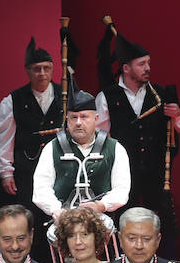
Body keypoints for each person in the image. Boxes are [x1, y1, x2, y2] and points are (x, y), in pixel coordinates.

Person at [98, 29, 180, 253]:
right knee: (122, 217)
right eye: (141, 64)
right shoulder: (107, 96)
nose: (148, 68)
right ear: (126, 68)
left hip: (156, 169)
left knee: (163, 217)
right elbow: (100, 138)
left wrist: (177, 114)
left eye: (148, 63)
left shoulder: (159, 92)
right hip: (122, 171)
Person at [0, 38, 64, 256]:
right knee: (30, 218)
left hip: (60, 168)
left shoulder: (66, 96)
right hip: (28, 170)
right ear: (28, 71)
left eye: (46, 68)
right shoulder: (12, 100)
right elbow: (4, 139)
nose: (42, 73)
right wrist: (6, 172)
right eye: (37, 69)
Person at [33, 85, 132, 222]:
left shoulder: (115, 148)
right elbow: (41, 188)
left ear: (96, 118)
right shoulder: (52, 148)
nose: (78, 122)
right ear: (67, 120)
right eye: (73, 117)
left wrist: (101, 205)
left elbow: (121, 189)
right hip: (64, 221)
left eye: (84, 117)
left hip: (100, 220)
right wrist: (56, 210)